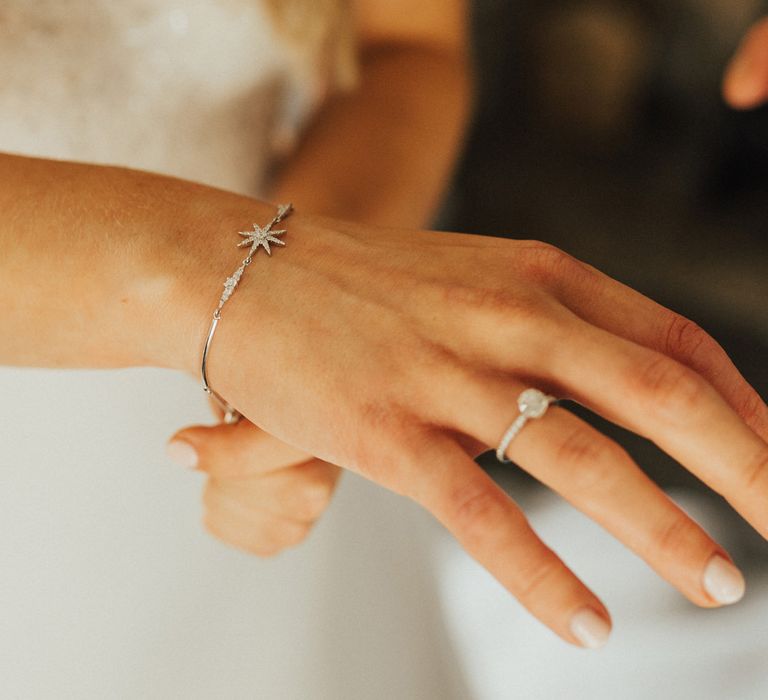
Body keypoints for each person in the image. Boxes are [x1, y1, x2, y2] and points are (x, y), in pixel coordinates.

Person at [1, 2, 767, 695]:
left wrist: (312, 303)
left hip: (303, 417)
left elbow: (408, 48)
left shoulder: (296, 312)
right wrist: (232, 291)